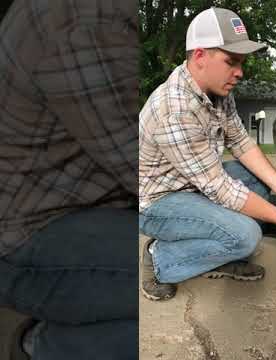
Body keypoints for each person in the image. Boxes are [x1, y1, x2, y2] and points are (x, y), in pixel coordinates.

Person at [139, 7, 276, 301]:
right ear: (200, 56)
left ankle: (214, 245)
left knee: (264, 186)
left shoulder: (218, 93)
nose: (240, 72)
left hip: (193, 186)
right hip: (159, 203)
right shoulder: (174, 109)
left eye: (241, 62)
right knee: (246, 237)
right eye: (231, 61)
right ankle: (160, 257)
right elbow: (221, 189)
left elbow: (241, 142)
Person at [0, 0, 138, 359]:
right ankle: (47, 348)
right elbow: (139, 166)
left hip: (55, 204)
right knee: (177, 270)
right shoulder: (83, 20)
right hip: (23, 236)